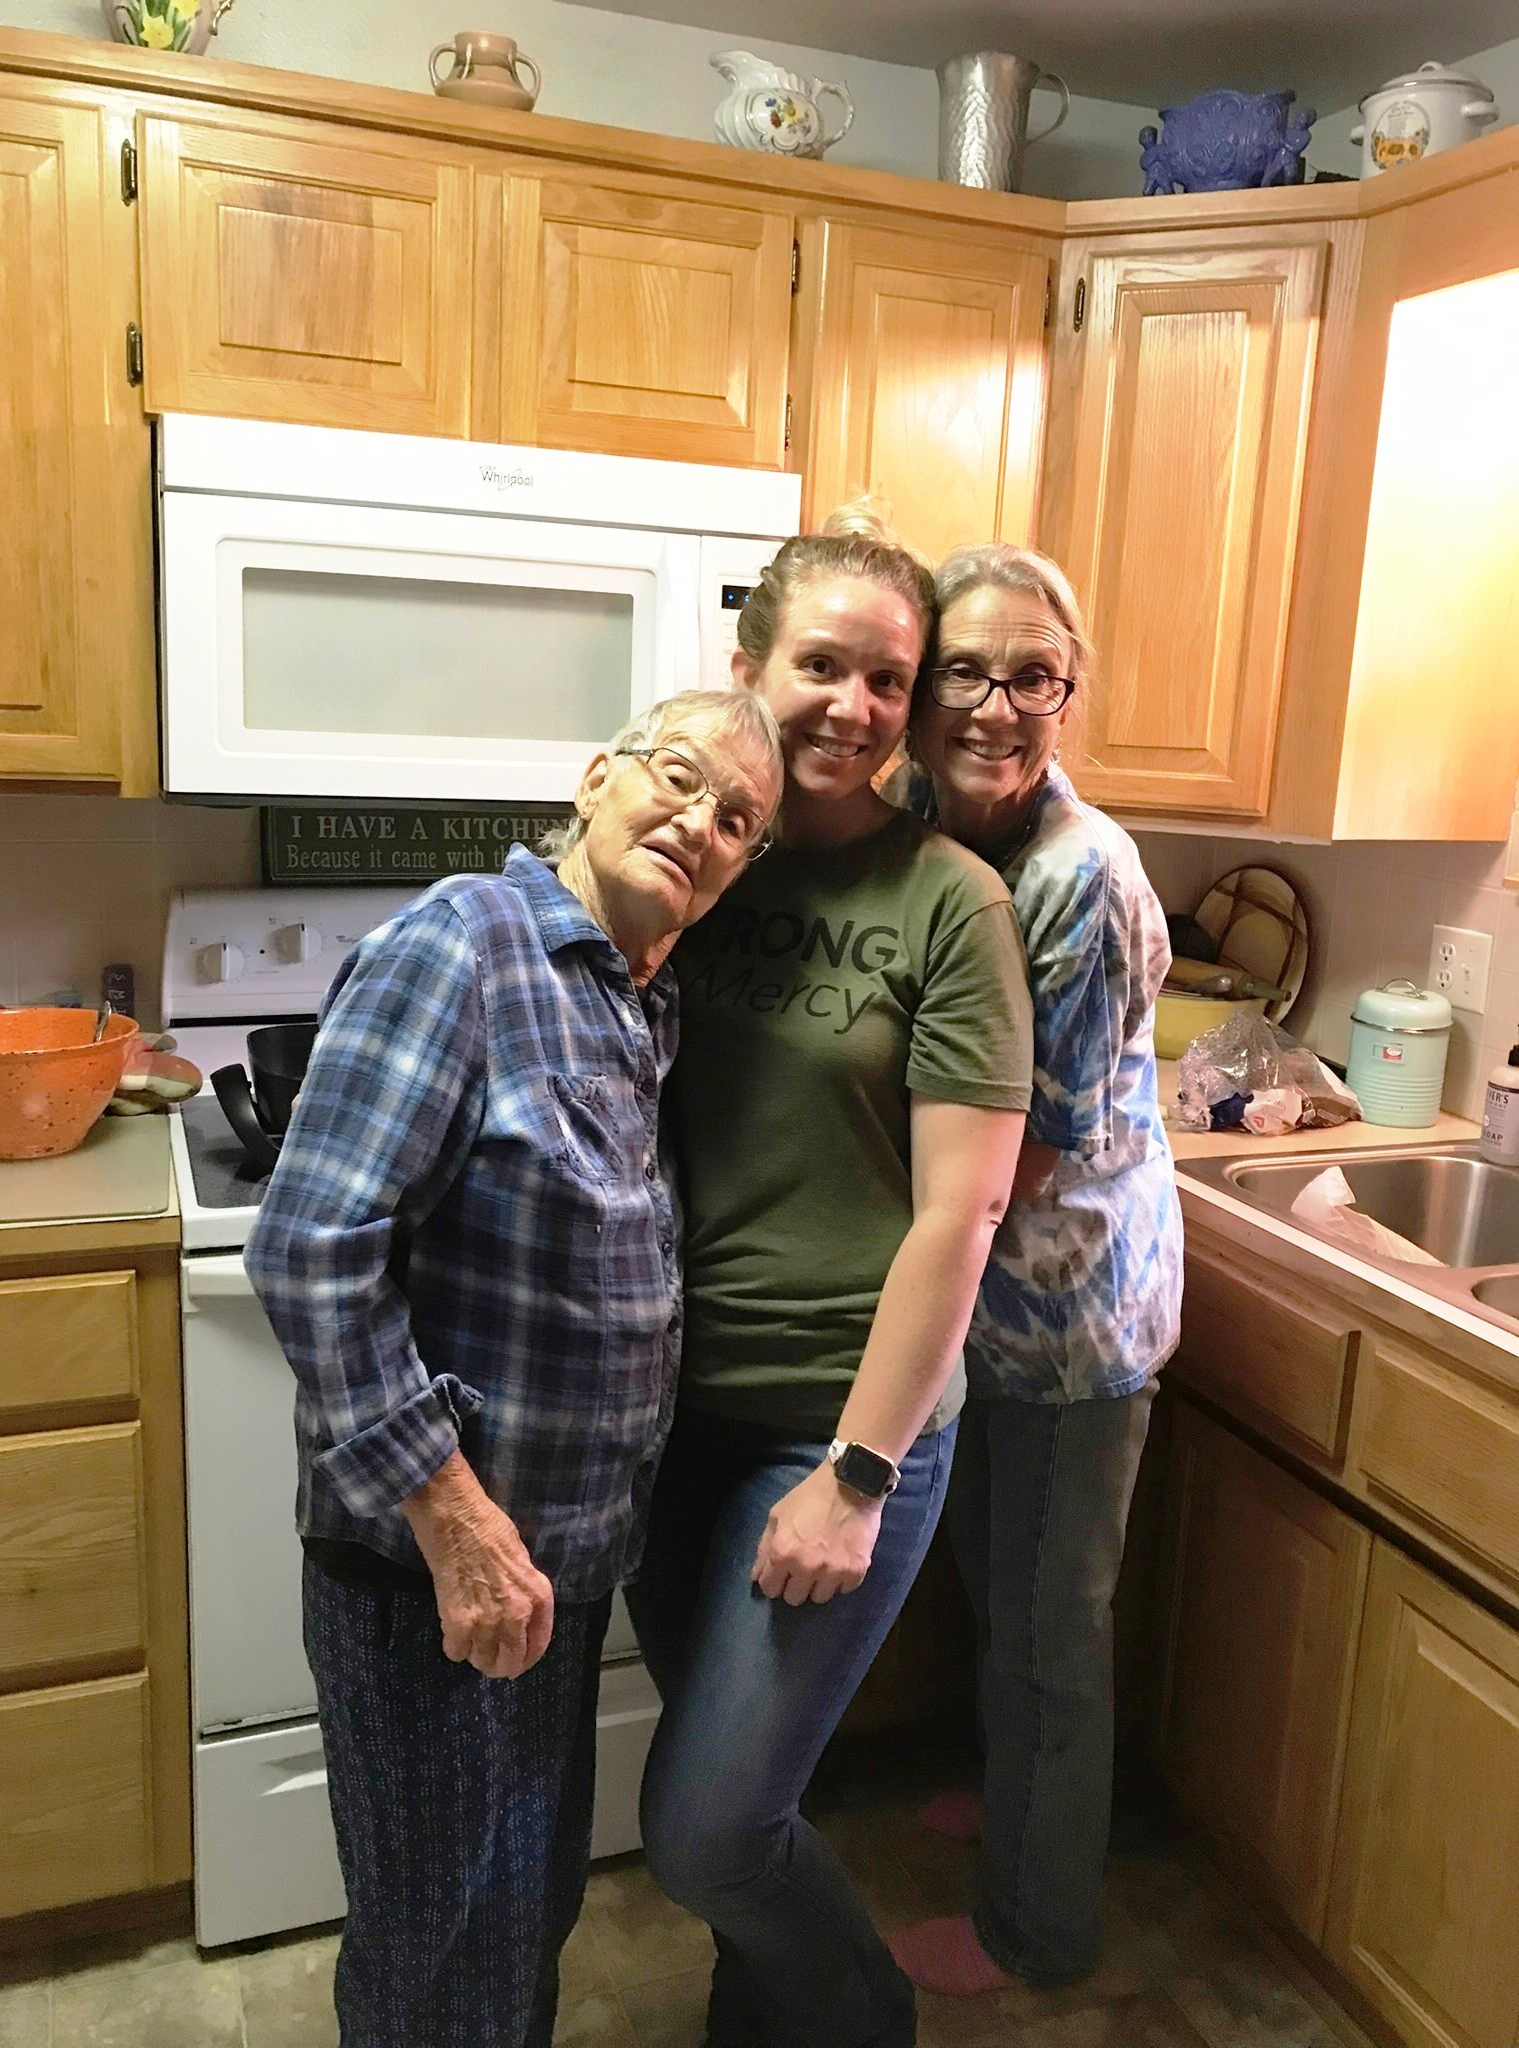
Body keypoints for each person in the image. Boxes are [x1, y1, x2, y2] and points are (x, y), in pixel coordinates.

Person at [243, 688, 783, 2048]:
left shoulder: (633, 996)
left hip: (551, 1574)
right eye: (678, 777)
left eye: (737, 820)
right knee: (441, 1962)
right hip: (434, 1576)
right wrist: (457, 1522)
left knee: (517, 1923)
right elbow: (309, 1248)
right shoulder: (465, 947)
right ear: (596, 780)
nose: (700, 823)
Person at [626, 515, 1036, 2048]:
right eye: (821, 665)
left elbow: (962, 1214)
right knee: (746, 1801)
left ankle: (867, 2016)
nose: (853, 708)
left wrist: (858, 1477)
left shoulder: (949, 904)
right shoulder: (698, 862)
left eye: (888, 679)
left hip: (838, 1429)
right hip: (671, 1422)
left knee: (707, 1831)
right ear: (750, 666)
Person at [885, 543, 1183, 1998]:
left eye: (1035, 678)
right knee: (997, 1598)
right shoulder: (928, 831)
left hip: (1071, 1319)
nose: (997, 708)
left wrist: (875, 1244)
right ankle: (1022, 1807)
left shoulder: (1079, 876)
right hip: (982, 1309)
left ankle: (1038, 1928)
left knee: (1053, 1632)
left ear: (1071, 697)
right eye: (967, 671)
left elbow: (1040, 1151)